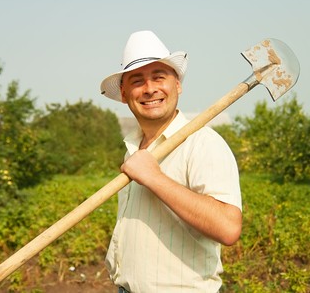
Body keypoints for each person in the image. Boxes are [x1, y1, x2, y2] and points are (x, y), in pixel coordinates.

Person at [100, 30, 242, 293]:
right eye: (137, 80)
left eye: (159, 77)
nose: (150, 88)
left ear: (177, 84)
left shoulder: (203, 144)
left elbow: (228, 226)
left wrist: (154, 178)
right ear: (123, 93)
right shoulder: (134, 148)